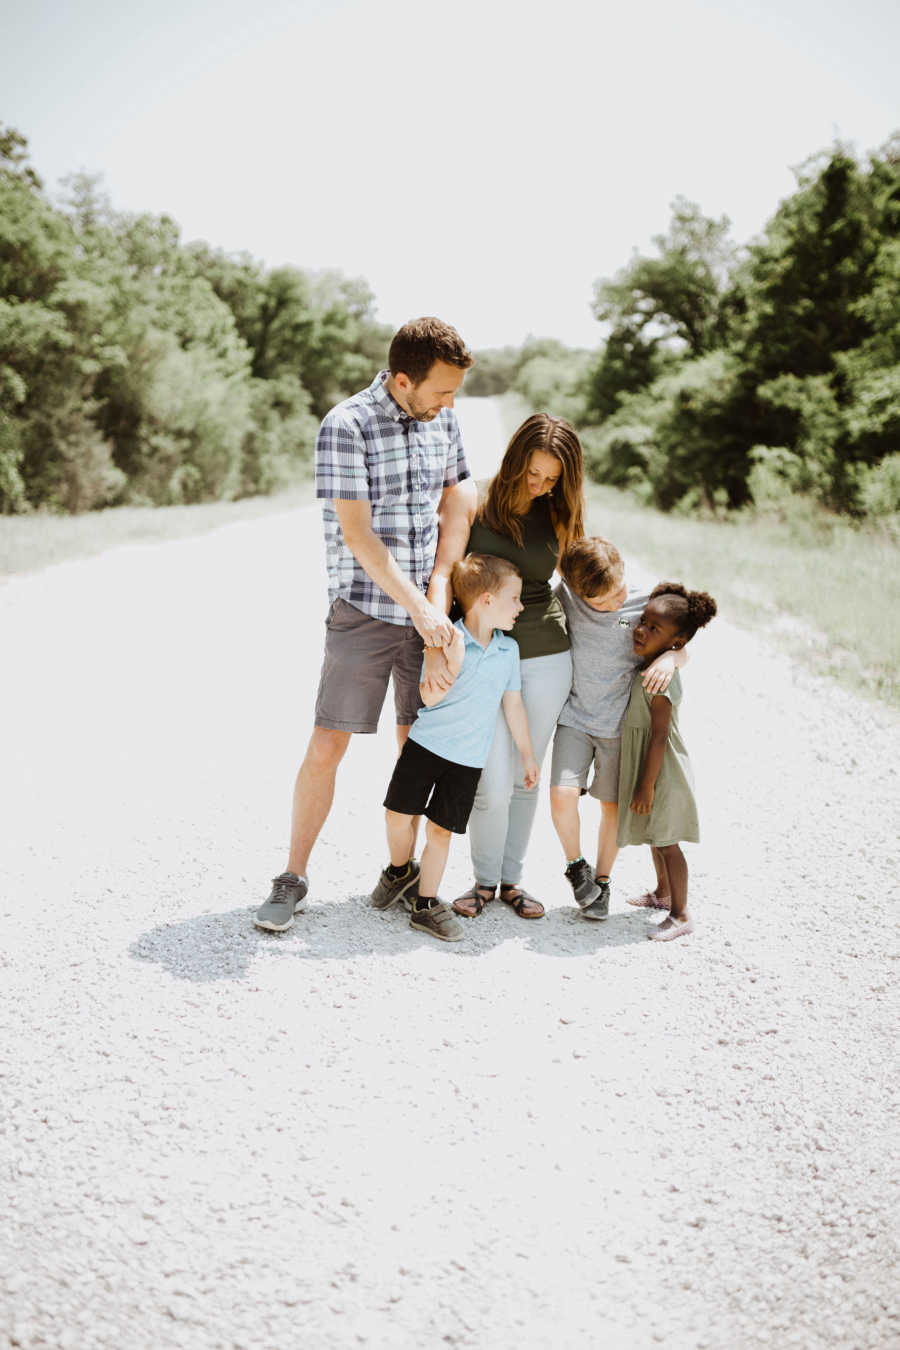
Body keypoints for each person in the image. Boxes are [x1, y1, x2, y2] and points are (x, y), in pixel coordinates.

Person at [254, 317, 477, 932]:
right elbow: (358, 535)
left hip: (427, 613)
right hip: (364, 612)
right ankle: (292, 877)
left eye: (454, 393)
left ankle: (406, 875)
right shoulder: (344, 425)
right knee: (329, 744)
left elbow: (459, 496)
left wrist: (437, 594)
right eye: (440, 391)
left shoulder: (443, 418)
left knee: (419, 747)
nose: (449, 404)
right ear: (402, 379)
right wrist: (419, 607)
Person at [425, 414, 585, 921]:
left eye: (552, 479)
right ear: (514, 460)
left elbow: (592, 584)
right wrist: (437, 641)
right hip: (479, 658)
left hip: (543, 655)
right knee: (488, 778)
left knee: (525, 776)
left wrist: (669, 646)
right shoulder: (474, 498)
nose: (540, 486)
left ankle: (510, 880)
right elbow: (445, 573)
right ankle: (482, 880)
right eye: (533, 473)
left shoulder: (557, 512)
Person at [370, 554, 538, 941]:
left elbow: (513, 705)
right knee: (397, 817)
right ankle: (399, 872)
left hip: (467, 760)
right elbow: (428, 698)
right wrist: (455, 656)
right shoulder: (445, 638)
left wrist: (527, 754)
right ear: (486, 601)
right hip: (425, 746)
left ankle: (426, 903)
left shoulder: (507, 650)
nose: (521, 607)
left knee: (441, 832)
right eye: (515, 598)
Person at [548, 537, 688, 919]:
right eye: (605, 601)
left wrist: (673, 657)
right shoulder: (569, 600)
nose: (616, 602)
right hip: (575, 717)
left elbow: (681, 639)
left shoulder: (635, 609)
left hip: (618, 727)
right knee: (561, 794)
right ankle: (578, 867)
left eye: (619, 591)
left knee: (611, 809)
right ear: (581, 594)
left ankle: (604, 882)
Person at [617, 583, 717, 941]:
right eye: (642, 621)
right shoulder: (652, 664)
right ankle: (662, 894)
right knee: (655, 836)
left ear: (676, 643)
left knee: (668, 842)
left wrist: (645, 785)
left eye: (654, 628)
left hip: (664, 772)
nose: (641, 629)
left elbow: (659, 737)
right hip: (653, 766)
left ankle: (681, 913)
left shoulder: (661, 678)